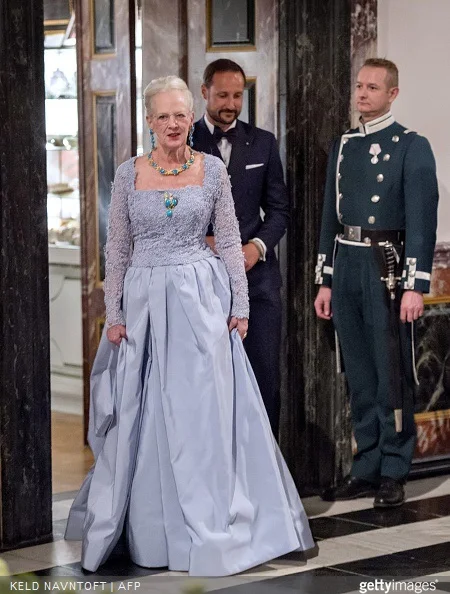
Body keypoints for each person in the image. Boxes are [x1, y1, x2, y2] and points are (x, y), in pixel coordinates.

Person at [65, 76, 314, 575]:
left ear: (188, 116)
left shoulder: (213, 171)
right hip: (143, 303)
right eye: (164, 116)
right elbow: (117, 250)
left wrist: (239, 309)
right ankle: (152, 533)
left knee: (202, 412)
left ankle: (212, 522)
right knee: (146, 411)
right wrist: (113, 314)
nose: (174, 124)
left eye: (180, 114)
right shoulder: (128, 173)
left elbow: (227, 243)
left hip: (202, 301)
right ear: (150, 121)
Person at [314, 58, 439, 508]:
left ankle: (393, 466)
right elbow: (331, 213)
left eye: (373, 87)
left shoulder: (411, 146)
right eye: (359, 86)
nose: (362, 94)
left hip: (386, 265)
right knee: (360, 371)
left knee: (391, 372)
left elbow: (422, 221)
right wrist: (324, 279)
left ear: (393, 94)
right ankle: (365, 463)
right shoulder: (344, 145)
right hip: (347, 263)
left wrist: (414, 285)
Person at [192, 59, 289, 439]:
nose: (230, 103)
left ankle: (268, 480)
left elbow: (280, 210)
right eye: (222, 95)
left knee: (264, 378)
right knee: (208, 383)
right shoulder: (184, 140)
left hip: (259, 282)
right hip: (201, 281)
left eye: (237, 95)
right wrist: (203, 241)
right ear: (204, 92)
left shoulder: (263, 141)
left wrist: (256, 248)